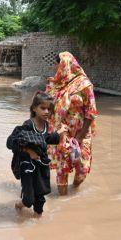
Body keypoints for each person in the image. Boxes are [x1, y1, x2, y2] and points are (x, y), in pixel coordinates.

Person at [46, 52, 98, 196]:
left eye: (59, 65)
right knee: (62, 169)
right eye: (57, 65)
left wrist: (80, 137)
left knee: (82, 169)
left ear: (66, 64)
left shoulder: (84, 84)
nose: (57, 68)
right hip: (62, 133)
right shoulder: (56, 84)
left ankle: (75, 187)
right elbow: (45, 108)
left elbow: (91, 112)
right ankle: (62, 203)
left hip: (81, 133)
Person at [7, 92, 66, 217]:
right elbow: (11, 142)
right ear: (34, 108)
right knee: (28, 200)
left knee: (40, 199)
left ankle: (37, 225)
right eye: (43, 108)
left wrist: (59, 133)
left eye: (49, 109)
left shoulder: (45, 125)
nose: (46, 112)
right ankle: (19, 205)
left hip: (41, 165)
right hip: (27, 165)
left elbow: (44, 139)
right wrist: (29, 151)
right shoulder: (28, 125)